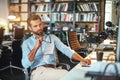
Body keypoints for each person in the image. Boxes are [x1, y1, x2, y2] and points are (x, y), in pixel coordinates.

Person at [21, 15, 91, 80]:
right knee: (66, 74)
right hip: (38, 72)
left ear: (43, 24)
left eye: (40, 25)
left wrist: (82, 60)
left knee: (81, 74)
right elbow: (25, 64)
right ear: (30, 28)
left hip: (54, 70)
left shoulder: (52, 38)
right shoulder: (27, 43)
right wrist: (36, 48)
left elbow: (66, 50)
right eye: (35, 26)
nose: (39, 28)